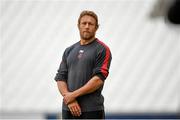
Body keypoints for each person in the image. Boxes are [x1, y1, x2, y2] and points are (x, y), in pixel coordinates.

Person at [54, 10, 112, 119]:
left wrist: (72, 95)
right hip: (68, 109)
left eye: (90, 24)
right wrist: (70, 100)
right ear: (78, 26)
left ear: (96, 27)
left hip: (91, 110)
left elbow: (98, 80)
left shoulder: (102, 49)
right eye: (84, 23)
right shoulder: (69, 50)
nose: (87, 26)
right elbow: (60, 77)